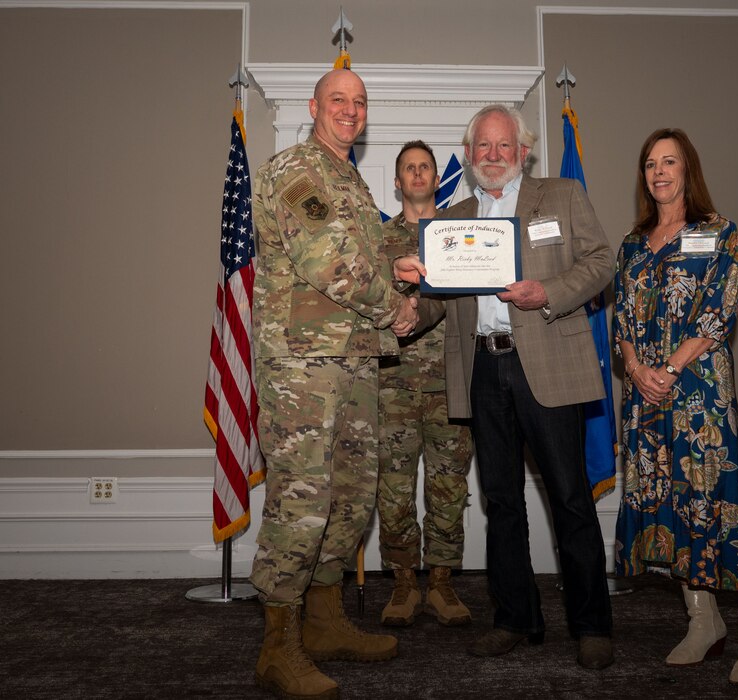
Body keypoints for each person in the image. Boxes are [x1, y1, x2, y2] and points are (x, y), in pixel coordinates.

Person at [248, 68, 420, 699]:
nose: (351, 111)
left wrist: (393, 267)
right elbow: (329, 266)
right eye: (339, 101)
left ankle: (322, 623)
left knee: (349, 499)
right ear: (314, 106)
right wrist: (394, 306)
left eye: (360, 103)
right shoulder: (295, 171)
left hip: (352, 364)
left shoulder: (348, 180)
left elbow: (359, 262)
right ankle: (278, 648)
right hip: (303, 371)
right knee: (301, 504)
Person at [434, 104, 615, 668]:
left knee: (570, 497)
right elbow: (437, 301)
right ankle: (515, 617)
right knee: (501, 501)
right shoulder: (455, 216)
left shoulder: (560, 196)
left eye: (503, 146)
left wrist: (551, 292)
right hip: (484, 369)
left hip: (548, 362)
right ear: (468, 156)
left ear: (523, 151)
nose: (493, 156)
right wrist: (409, 299)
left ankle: (592, 627)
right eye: (482, 147)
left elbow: (603, 260)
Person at [613, 128, 738, 685]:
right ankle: (703, 623)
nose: (659, 171)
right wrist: (639, 371)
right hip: (645, 397)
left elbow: (718, 313)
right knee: (668, 502)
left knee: (721, 500)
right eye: (650, 164)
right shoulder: (633, 246)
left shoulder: (720, 233)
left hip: (699, 394)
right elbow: (622, 326)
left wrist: (669, 368)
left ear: (689, 170)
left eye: (670, 161)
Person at [377, 141, 474, 628]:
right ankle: (402, 582)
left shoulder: (458, 235)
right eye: (408, 169)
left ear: (437, 179)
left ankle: (440, 582)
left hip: (449, 384)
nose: (417, 175)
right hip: (391, 387)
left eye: (425, 168)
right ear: (397, 182)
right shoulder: (377, 241)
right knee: (393, 492)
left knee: (448, 489)